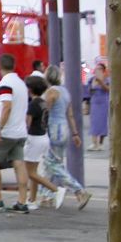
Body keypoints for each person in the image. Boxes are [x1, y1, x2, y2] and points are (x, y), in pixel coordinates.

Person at [0, 54, 32, 214]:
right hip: (20, 131)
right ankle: (22, 202)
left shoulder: (6, 83)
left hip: (7, 131)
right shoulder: (21, 84)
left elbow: (7, 106)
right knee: (19, 163)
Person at [42, 66, 93, 209]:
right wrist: (75, 133)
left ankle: (79, 190)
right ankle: (47, 195)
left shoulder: (51, 92)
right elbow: (70, 115)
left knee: (53, 164)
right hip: (64, 128)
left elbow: (46, 110)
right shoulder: (65, 92)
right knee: (50, 162)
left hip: (54, 129)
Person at [21, 75, 59, 211]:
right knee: (34, 171)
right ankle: (32, 199)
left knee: (30, 172)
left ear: (30, 89)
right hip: (43, 137)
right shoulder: (43, 103)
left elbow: (28, 124)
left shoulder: (33, 104)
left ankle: (55, 190)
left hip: (34, 139)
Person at [86, 61, 110, 151]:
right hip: (95, 102)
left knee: (102, 123)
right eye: (97, 69)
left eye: (100, 69)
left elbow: (108, 89)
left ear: (103, 70)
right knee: (94, 122)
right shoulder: (92, 79)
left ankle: (101, 143)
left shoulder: (106, 79)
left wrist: (101, 82)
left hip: (103, 102)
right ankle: (94, 142)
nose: (98, 70)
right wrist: (93, 86)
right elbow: (89, 91)